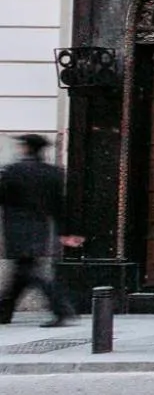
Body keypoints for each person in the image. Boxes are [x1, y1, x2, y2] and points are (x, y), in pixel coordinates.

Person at [0, 133, 80, 327]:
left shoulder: (14, 171)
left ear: (27, 148)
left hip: (18, 228)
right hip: (41, 227)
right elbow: (60, 206)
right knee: (23, 272)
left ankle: (61, 308)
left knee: (30, 272)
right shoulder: (52, 172)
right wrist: (65, 232)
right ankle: (4, 312)